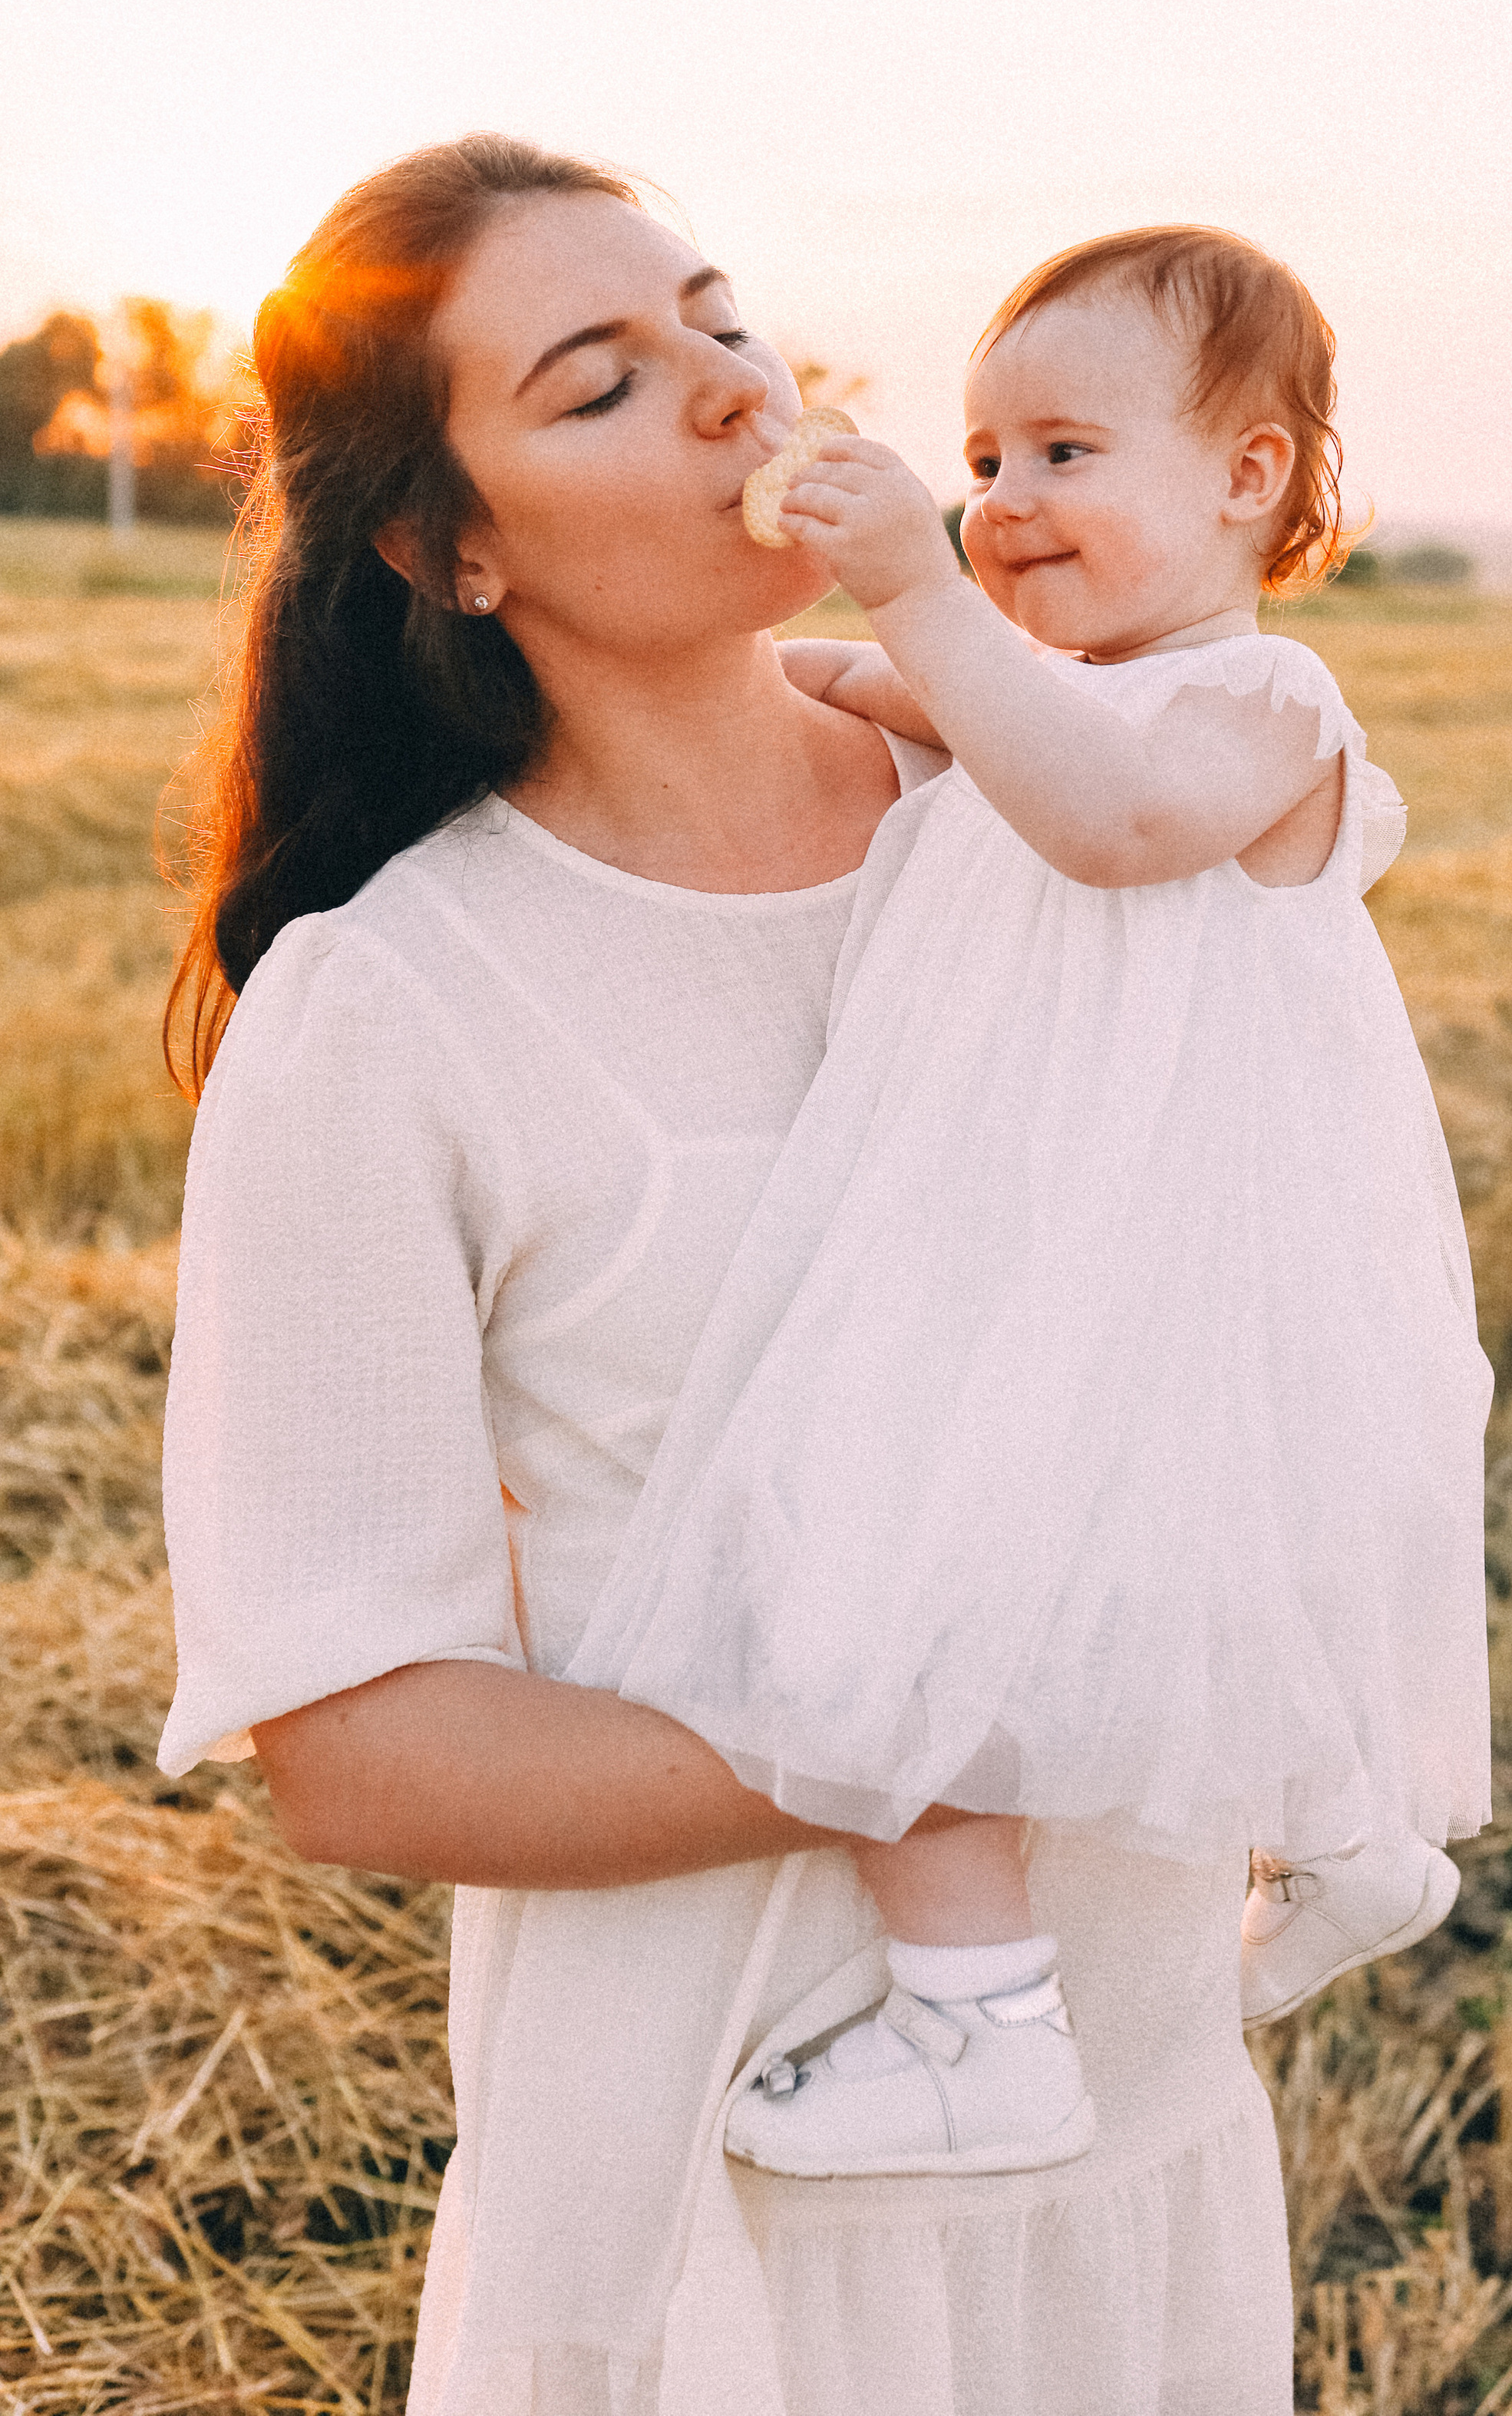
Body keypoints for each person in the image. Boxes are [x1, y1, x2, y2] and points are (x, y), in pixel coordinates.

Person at [157, 139, 1297, 2416]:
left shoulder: (1047, 825)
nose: (726, 391)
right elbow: (365, 1750)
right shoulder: (388, 1009)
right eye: (600, 383)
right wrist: (942, 1713)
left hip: (1139, 2106)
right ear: (445, 544)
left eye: (719, 317)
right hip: (722, 2172)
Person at [576, 226, 1494, 2183]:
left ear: (1246, 479)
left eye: (1062, 454)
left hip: (1154, 1254)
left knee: (925, 1577)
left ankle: (995, 2020)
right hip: (1025, 1243)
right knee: (983, 1565)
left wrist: (915, 593)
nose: (999, 508)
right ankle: (1337, 1843)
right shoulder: (1012, 694)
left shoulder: (1263, 709)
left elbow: (1107, 816)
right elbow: (817, 689)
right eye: (982, 464)